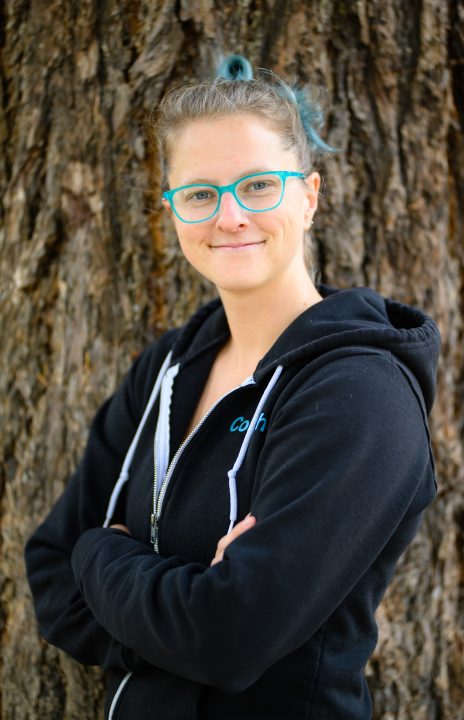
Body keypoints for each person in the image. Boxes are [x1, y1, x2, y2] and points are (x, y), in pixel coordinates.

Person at [25, 55, 441, 720]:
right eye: (199, 193)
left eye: (257, 186)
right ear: (171, 209)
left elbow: (228, 638)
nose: (229, 217)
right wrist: (178, 613)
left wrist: (101, 550)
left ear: (308, 196)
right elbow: (50, 570)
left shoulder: (360, 395)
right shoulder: (169, 368)